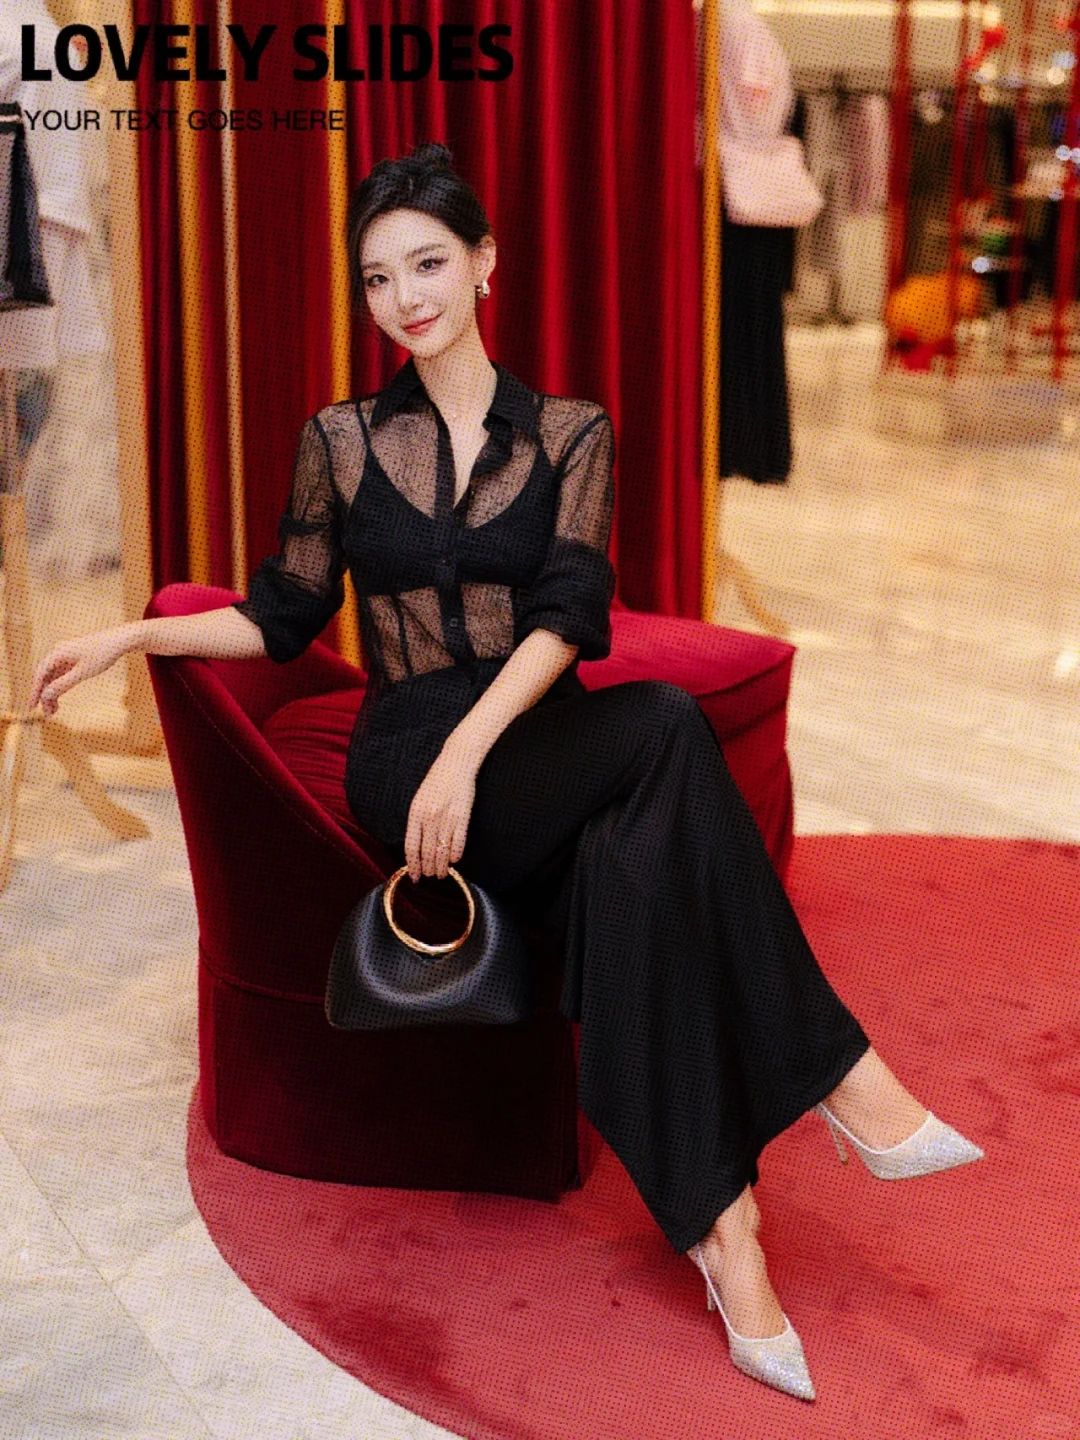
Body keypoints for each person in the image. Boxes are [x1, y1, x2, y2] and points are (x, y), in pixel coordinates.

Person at [26, 141, 983, 1404]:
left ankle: (726, 1232)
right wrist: (134, 636)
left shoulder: (571, 434)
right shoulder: (341, 441)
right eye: (378, 278)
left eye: (428, 264)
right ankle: (842, 1079)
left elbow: (572, 614)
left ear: (485, 263)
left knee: (629, 861)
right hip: (405, 760)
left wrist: (475, 754)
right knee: (665, 726)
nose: (404, 298)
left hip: (528, 749)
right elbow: (282, 614)